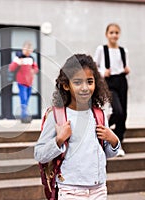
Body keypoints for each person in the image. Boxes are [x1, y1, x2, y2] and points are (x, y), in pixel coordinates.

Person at [34, 54, 120, 199]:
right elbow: (39, 154)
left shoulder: (98, 115)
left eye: (90, 81)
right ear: (66, 85)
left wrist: (113, 140)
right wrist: (59, 140)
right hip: (70, 189)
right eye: (78, 82)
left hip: (98, 188)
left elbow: (106, 153)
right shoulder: (57, 116)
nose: (85, 88)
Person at [94, 23, 131, 157]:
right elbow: (94, 67)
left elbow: (124, 66)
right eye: (111, 32)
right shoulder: (101, 49)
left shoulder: (123, 51)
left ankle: (119, 142)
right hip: (109, 82)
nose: (114, 35)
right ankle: (105, 122)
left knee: (124, 113)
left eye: (116, 32)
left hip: (122, 81)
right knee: (118, 111)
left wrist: (127, 69)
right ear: (107, 34)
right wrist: (103, 72)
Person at [9, 41, 39, 123]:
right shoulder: (18, 57)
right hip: (21, 82)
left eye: (30, 49)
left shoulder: (31, 59)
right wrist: (18, 62)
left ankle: (25, 115)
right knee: (24, 99)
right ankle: (24, 116)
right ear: (23, 49)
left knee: (27, 100)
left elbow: (36, 68)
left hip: (29, 82)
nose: (28, 51)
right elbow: (11, 68)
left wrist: (34, 70)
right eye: (26, 49)